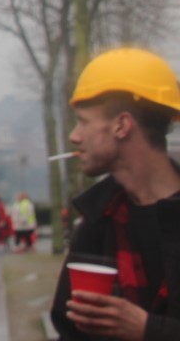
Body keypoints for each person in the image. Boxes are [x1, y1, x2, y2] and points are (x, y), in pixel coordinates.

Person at [50, 48, 180, 340]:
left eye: (83, 121)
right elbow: (68, 329)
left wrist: (148, 330)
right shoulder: (97, 222)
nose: (74, 136)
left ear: (122, 125)